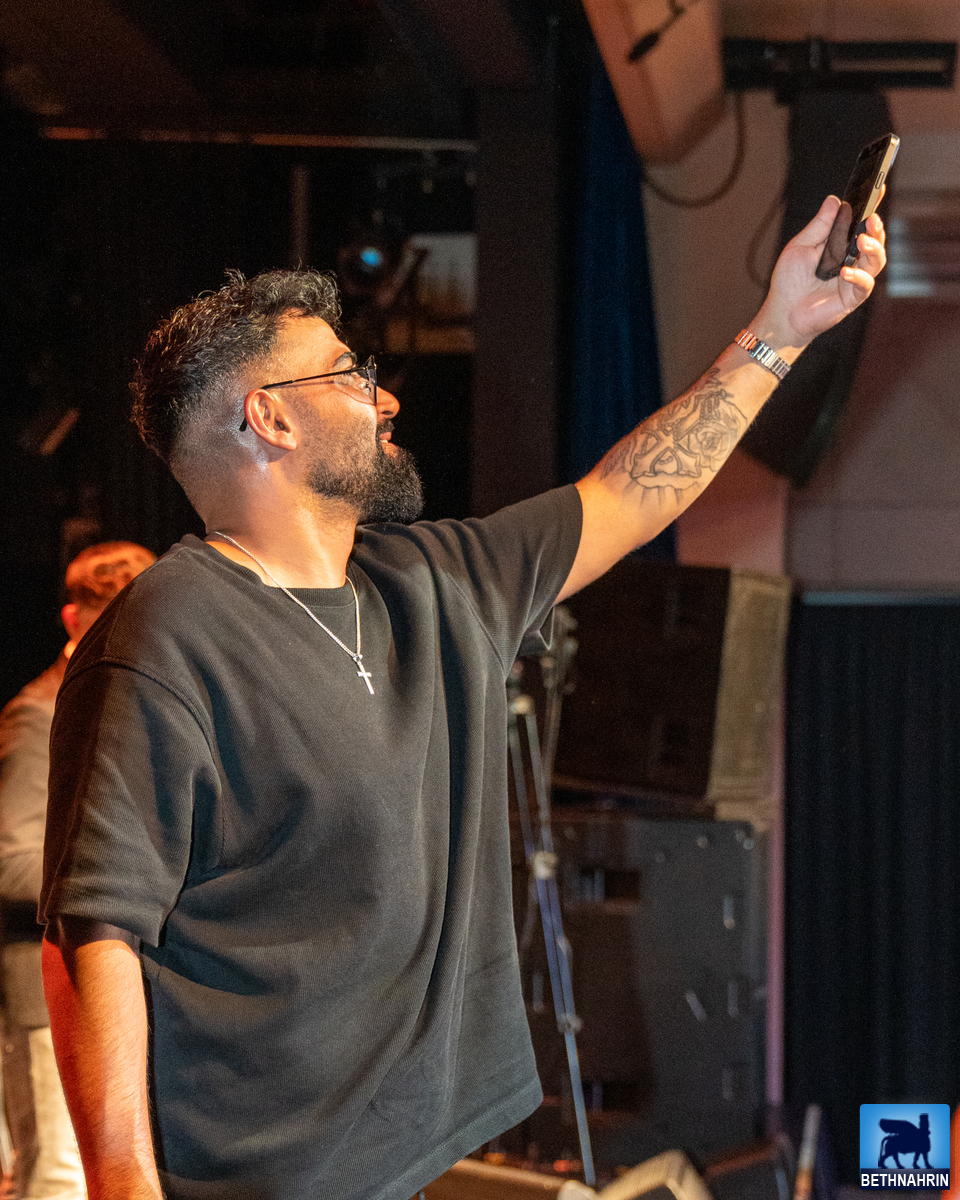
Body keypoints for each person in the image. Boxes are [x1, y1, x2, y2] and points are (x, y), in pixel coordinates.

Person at [39, 198, 886, 1200]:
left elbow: (629, 492)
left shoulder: (433, 582)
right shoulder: (165, 634)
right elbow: (92, 933)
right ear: (269, 416)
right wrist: (123, 1182)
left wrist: (781, 330)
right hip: (252, 1177)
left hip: (401, 1161)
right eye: (350, 374)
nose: (384, 398)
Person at [0, 541, 155, 1199]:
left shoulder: (135, 701)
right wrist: (134, 875)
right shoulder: (39, 710)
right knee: (57, 1181)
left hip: (122, 988)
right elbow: (9, 861)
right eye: (110, 615)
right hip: (48, 992)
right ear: (72, 619)